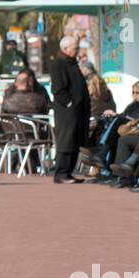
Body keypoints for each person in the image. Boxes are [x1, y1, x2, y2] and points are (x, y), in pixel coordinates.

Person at [82, 79, 139, 182]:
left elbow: (138, 118)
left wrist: (119, 116)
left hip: (136, 130)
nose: (134, 95)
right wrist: (115, 114)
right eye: (133, 92)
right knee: (108, 126)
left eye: (137, 92)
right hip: (128, 128)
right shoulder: (132, 104)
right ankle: (104, 164)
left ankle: (102, 152)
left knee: (118, 126)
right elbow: (126, 115)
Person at [49, 35, 90, 183]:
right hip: (67, 112)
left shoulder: (71, 63)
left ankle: (68, 172)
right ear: (65, 49)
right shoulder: (59, 64)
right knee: (66, 141)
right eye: (75, 48)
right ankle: (61, 173)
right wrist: (70, 103)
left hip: (77, 111)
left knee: (75, 141)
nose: (77, 51)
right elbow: (58, 89)